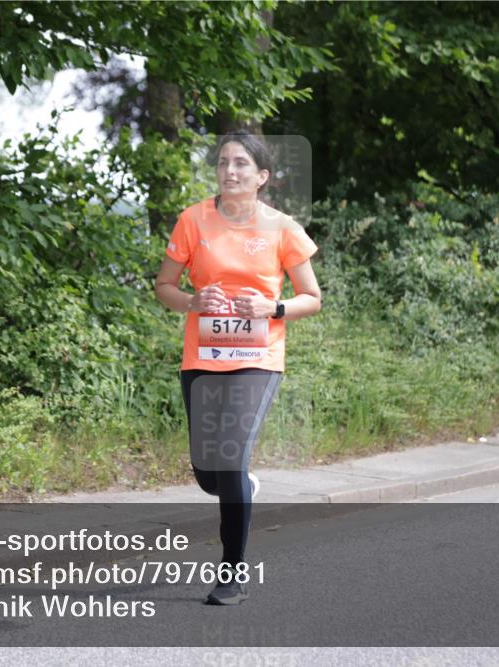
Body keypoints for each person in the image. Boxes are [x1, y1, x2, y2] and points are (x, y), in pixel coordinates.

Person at [153, 131, 322, 605]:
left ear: (262, 176)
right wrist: (191, 299)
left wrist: (273, 308)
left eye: (242, 164)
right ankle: (240, 483)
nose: (230, 171)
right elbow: (163, 285)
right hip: (202, 356)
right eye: (224, 162)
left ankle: (232, 572)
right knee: (210, 474)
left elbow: (313, 298)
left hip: (258, 357)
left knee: (228, 458)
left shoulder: (282, 227)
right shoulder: (193, 220)